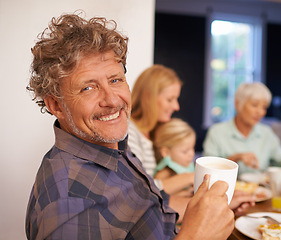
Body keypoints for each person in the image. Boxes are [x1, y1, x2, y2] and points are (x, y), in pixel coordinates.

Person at [25, 12, 235, 239]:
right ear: (55, 105)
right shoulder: (69, 203)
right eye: (88, 88)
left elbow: (154, 206)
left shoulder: (114, 143)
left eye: (115, 80)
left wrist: (211, 208)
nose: (113, 100)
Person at [128, 64, 255, 217]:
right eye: (170, 99)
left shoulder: (155, 133)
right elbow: (139, 194)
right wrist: (192, 178)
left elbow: (158, 196)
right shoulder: (129, 133)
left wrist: (217, 202)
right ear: (148, 97)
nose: (176, 106)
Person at [203, 82, 281, 175]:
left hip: (261, 190)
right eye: (254, 105)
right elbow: (207, 170)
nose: (260, 112)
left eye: (264, 107)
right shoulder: (216, 132)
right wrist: (236, 158)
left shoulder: (267, 133)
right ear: (237, 104)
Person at [153, 118, 196, 197]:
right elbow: (156, 193)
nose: (192, 154)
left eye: (192, 148)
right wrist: (184, 194)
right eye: (185, 151)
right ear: (166, 152)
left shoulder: (187, 164)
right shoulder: (165, 171)